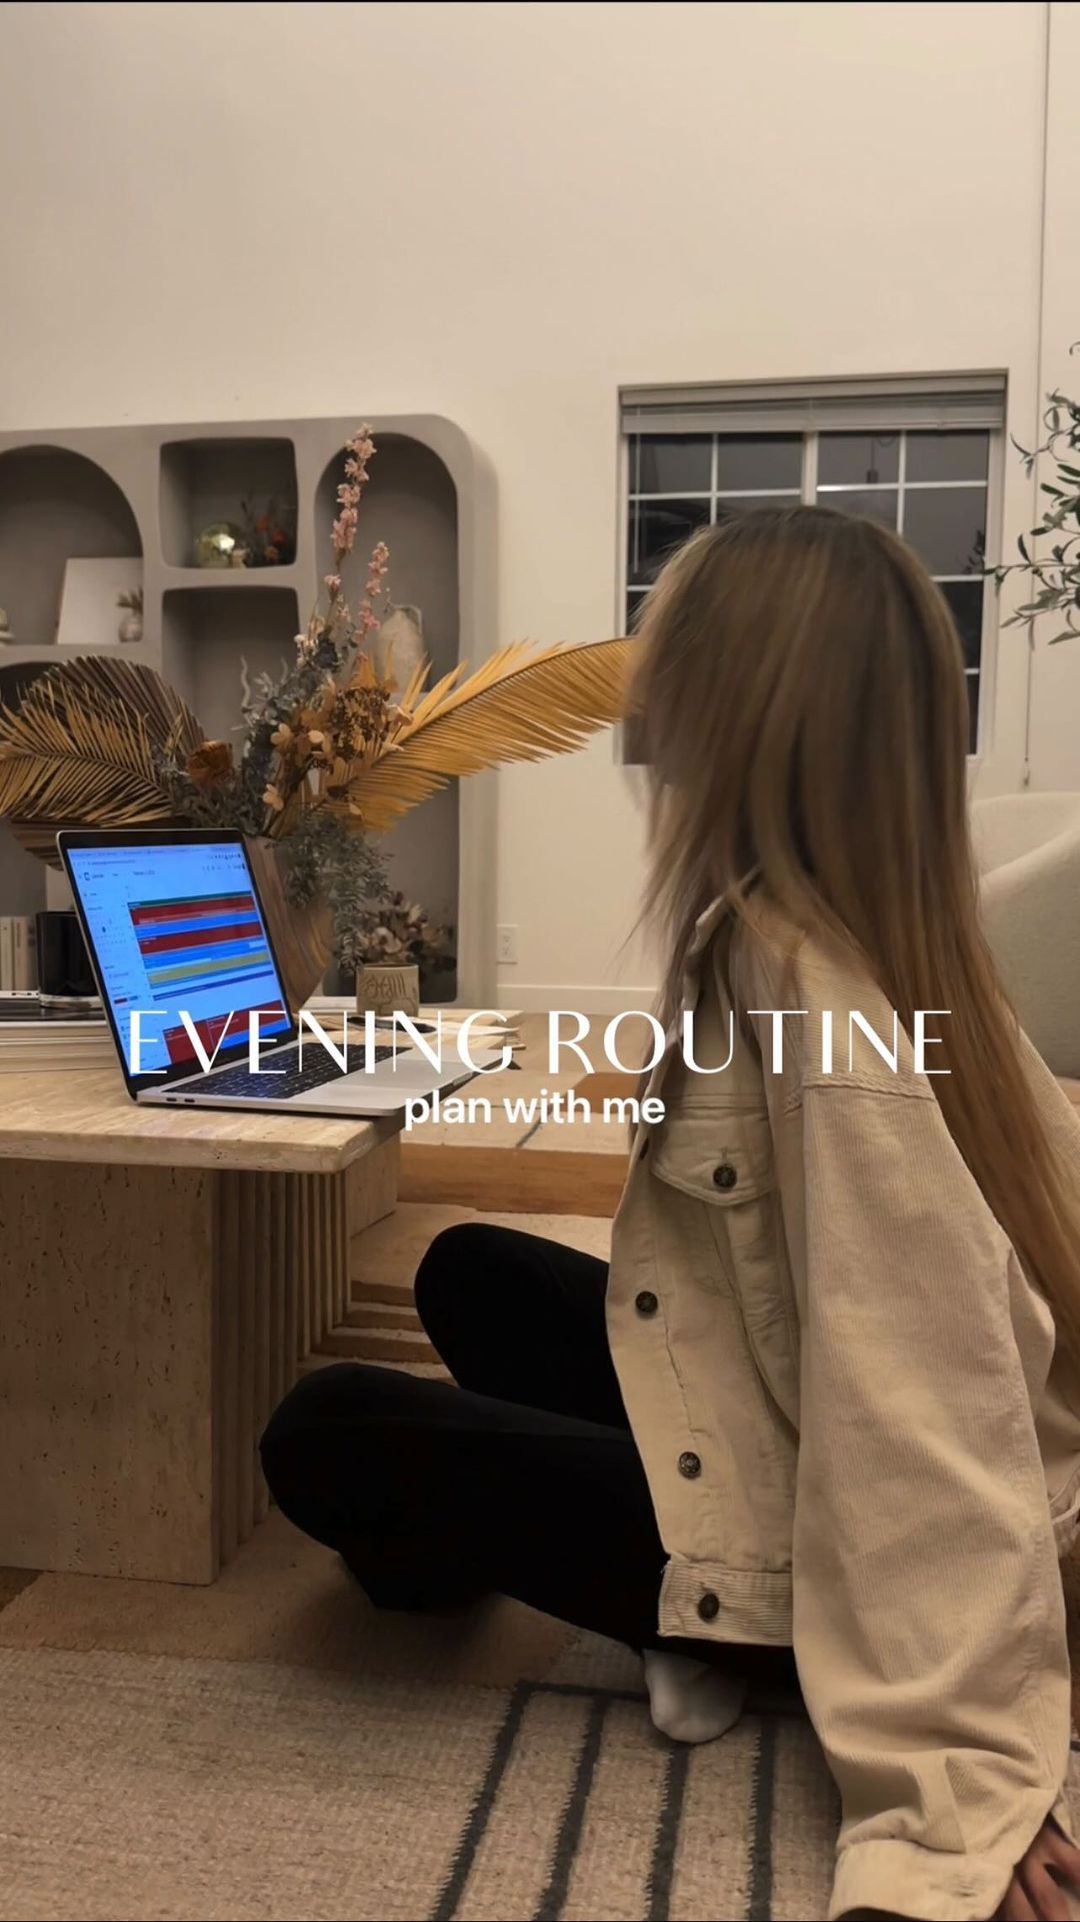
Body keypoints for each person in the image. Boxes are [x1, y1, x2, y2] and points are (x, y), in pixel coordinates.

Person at [261, 507, 1080, 1922]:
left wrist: (956, 1788)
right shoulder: (854, 926)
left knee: (326, 1429)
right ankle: (625, 1580)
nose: (638, 679)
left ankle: (708, 1633)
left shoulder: (807, 986)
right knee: (466, 1270)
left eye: (667, 651)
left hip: (806, 1530)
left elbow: (922, 1380)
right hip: (777, 1411)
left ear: (742, 709)